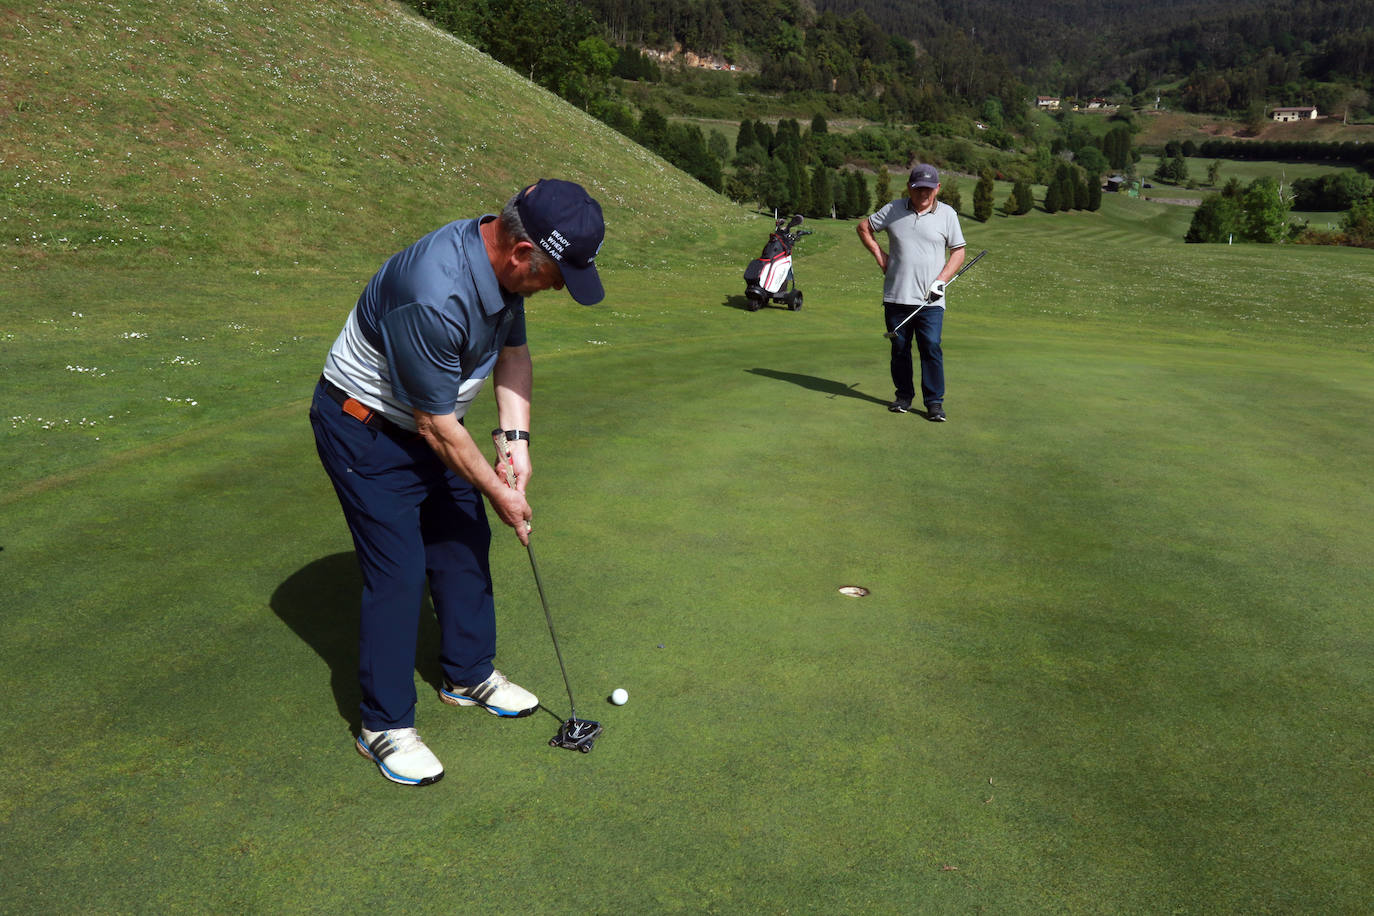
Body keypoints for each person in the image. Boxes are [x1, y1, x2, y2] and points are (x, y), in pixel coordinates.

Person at [309, 179, 605, 786]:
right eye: (556, 275)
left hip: (433, 420)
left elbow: (514, 354)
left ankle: (468, 673)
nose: (556, 288)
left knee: (463, 541)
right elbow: (435, 426)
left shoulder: (503, 263)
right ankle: (384, 725)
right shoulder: (434, 294)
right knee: (398, 572)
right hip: (364, 426)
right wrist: (499, 492)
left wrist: (515, 444)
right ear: (522, 254)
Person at [856, 164, 966, 421]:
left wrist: (941, 280)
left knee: (931, 346)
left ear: (937, 188)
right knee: (900, 349)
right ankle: (904, 397)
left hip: (931, 299)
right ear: (909, 187)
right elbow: (863, 228)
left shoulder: (947, 214)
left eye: (929, 189)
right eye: (919, 189)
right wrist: (879, 256)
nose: (924, 194)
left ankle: (934, 403)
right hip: (896, 295)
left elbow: (958, 252)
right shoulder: (893, 209)